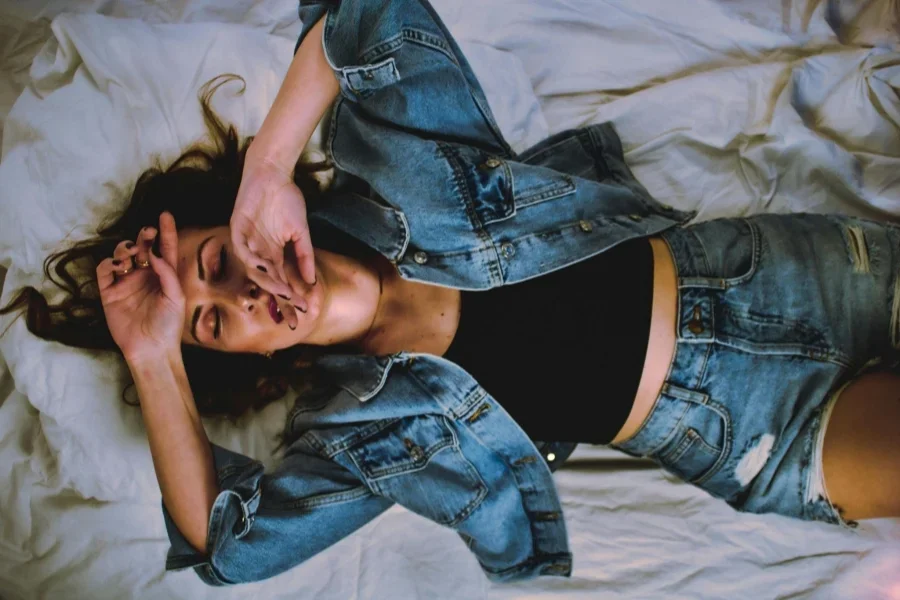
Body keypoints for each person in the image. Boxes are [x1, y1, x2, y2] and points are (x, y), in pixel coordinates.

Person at [3, 0, 899, 588]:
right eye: (213, 325)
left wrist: (270, 164)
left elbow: (359, 14)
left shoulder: (400, 165)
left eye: (217, 262)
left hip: (809, 279)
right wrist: (154, 353)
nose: (242, 297)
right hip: (758, 438)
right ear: (248, 363)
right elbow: (230, 546)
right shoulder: (356, 435)